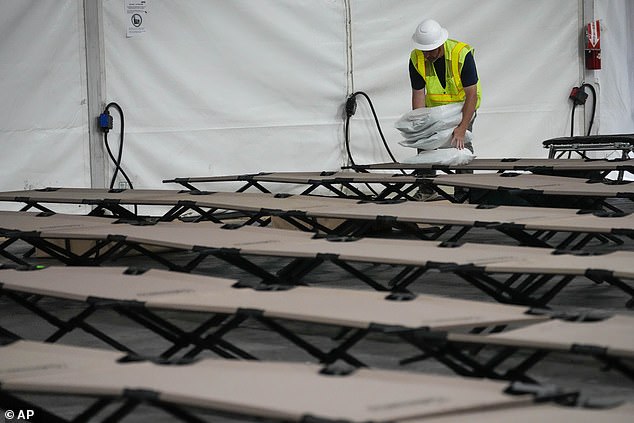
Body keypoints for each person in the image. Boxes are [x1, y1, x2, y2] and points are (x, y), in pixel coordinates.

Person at [408, 19, 481, 200]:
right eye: (423, 51)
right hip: (435, 110)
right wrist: (420, 125)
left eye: (430, 51)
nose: (426, 55)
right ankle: (426, 189)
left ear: (440, 44)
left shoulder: (461, 54)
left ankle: (464, 191)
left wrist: (463, 127)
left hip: (462, 107)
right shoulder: (416, 58)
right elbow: (418, 94)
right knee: (424, 145)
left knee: (461, 146)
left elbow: (471, 94)